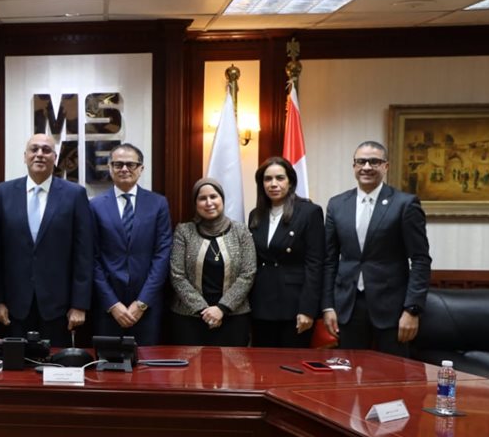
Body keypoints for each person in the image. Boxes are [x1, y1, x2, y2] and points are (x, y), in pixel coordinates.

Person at [322, 141, 432, 356]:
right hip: (348, 306)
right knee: (348, 370)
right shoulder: (337, 204)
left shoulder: (405, 204)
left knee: (392, 372)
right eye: (361, 161)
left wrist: (412, 310)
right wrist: (328, 306)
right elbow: (329, 260)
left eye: (374, 162)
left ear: (385, 166)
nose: (367, 167)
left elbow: (420, 260)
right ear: (354, 166)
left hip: (392, 309)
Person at [0, 133, 93, 347]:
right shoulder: (2, 193)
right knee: (16, 364)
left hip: (58, 306)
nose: (40, 154)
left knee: (55, 362)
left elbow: (83, 253)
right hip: (14, 305)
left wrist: (79, 304)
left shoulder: (74, 194)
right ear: (25, 156)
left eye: (46, 150)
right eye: (34, 149)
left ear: (55, 158)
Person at [89, 143, 172, 345]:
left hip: (147, 305)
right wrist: (112, 304)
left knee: (147, 362)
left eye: (131, 164)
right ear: (110, 168)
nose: (124, 169)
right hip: (107, 306)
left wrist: (142, 302)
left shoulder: (158, 203)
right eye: (118, 164)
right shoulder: (94, 205)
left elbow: (162, 255)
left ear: (141, 168)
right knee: (107, 362)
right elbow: (91, 258)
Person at [168, 178, 255, 346]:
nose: (209, 203)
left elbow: (248, 273)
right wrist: (204, 310)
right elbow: (177, 275)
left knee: (233, 364)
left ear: (222, 199)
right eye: (202, 198)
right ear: (195, 203)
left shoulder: (241, 231)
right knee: (190, 364)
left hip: (233, 318)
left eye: (213, 197)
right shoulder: (184, 231)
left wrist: (221, 308)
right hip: (189, 319)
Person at [247, 157, 324, 348]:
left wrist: (308, 309)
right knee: (262, 363)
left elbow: (315, 264)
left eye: (280, 178)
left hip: (294, 305)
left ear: (290, 182)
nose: (273, 184)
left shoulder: (309, 212)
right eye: (267, 179)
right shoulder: (255, 215)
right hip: (261, 303)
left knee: (292, 362)